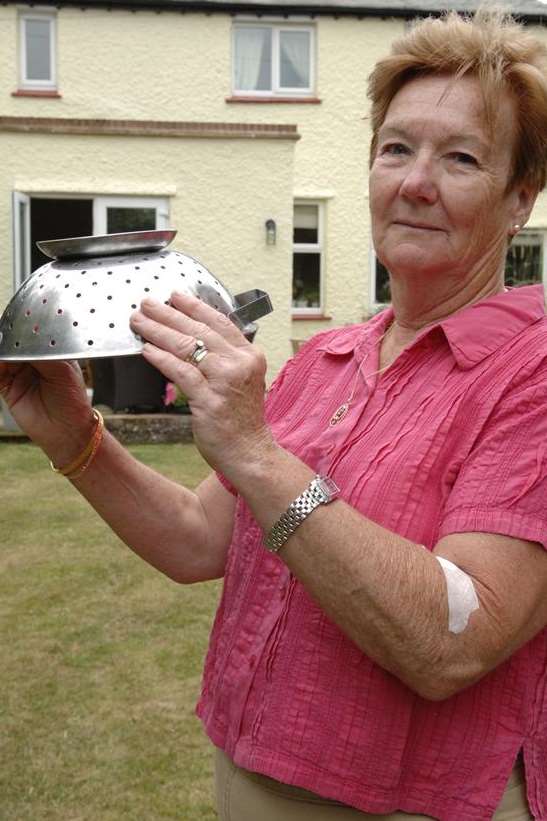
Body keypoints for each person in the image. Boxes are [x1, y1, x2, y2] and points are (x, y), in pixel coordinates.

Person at [1, 8, 546, 820]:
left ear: (517, 201)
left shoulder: (529, 370)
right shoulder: (329, 357)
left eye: (460, 158)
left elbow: (452, 642)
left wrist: (257, 452)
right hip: (249, 780)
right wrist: (75, 436)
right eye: (395, 148)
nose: (414, 181)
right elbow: (197, 538)